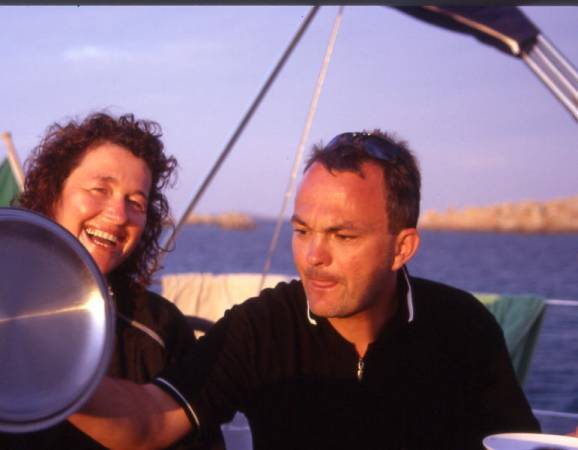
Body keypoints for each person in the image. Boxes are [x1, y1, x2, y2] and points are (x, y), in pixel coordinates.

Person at [68, 130, 541, 450]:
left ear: (402, 248)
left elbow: (517, 442)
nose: (312, 256)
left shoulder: (463, 328)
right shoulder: (264, 326)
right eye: (301, 231)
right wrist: (51, 378)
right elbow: (153, 418)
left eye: (343, 235)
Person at [0, 112, 224, 450]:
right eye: (100, 189)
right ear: (53, 193)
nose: (118, 215)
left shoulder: (160, 327)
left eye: (136, 202)